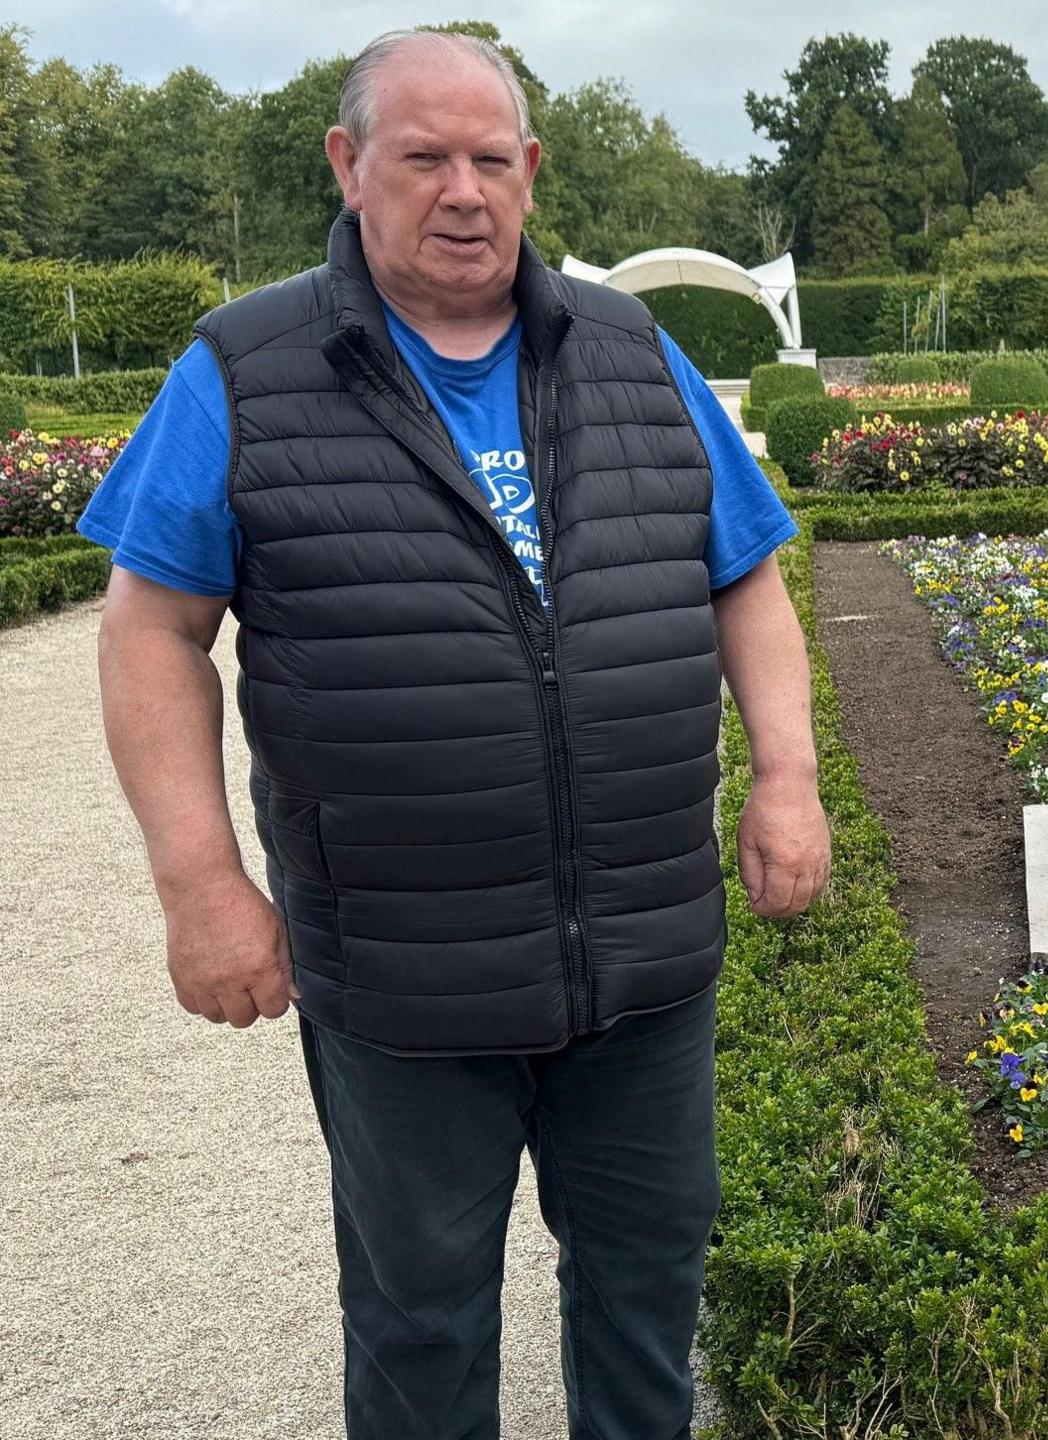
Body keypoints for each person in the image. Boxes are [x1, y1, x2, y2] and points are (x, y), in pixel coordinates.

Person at [78, 30, 829, 1436]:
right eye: (424, 157)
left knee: (647, 1290)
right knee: (420, 1314)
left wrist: (787, 776)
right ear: (349, 165)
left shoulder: (631, 350)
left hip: (645, 960)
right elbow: (149, 633)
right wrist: (200, 884)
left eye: (492, 159)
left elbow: (746, 572)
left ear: (533, 173)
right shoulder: (246, 369)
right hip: (408, 980)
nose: (464, 190)